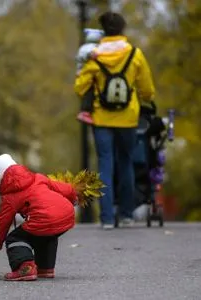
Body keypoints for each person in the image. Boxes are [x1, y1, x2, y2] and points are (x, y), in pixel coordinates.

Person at [74, 12, 155, 229]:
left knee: (105, 165)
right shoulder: (135, 54)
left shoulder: (95, 56)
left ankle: (107, 218)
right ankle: (127, 214)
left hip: (102, 120)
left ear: (103, 31)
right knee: (127, 162)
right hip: (128, 119)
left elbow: (80, 87)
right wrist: (146, 99)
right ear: (122, 30)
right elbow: (147, 89)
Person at [0, 154, 86, 281]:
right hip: (66, 213)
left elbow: (1, 223)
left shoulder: (10, 196)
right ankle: (45, 268)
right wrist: (73, 198)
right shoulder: (38, 178)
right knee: (46, 234)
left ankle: (25, 267)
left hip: (44, 218)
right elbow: (64, 188)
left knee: (15, 238)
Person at [75, 28, 105, 124]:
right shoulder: (90, 48)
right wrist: (89, 55)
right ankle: (85, 112)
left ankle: (87, 111)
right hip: (86, 74)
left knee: (90, 92)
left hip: (85, 73)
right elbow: (83, 56)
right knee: (89, 92)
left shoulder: (85, 47)